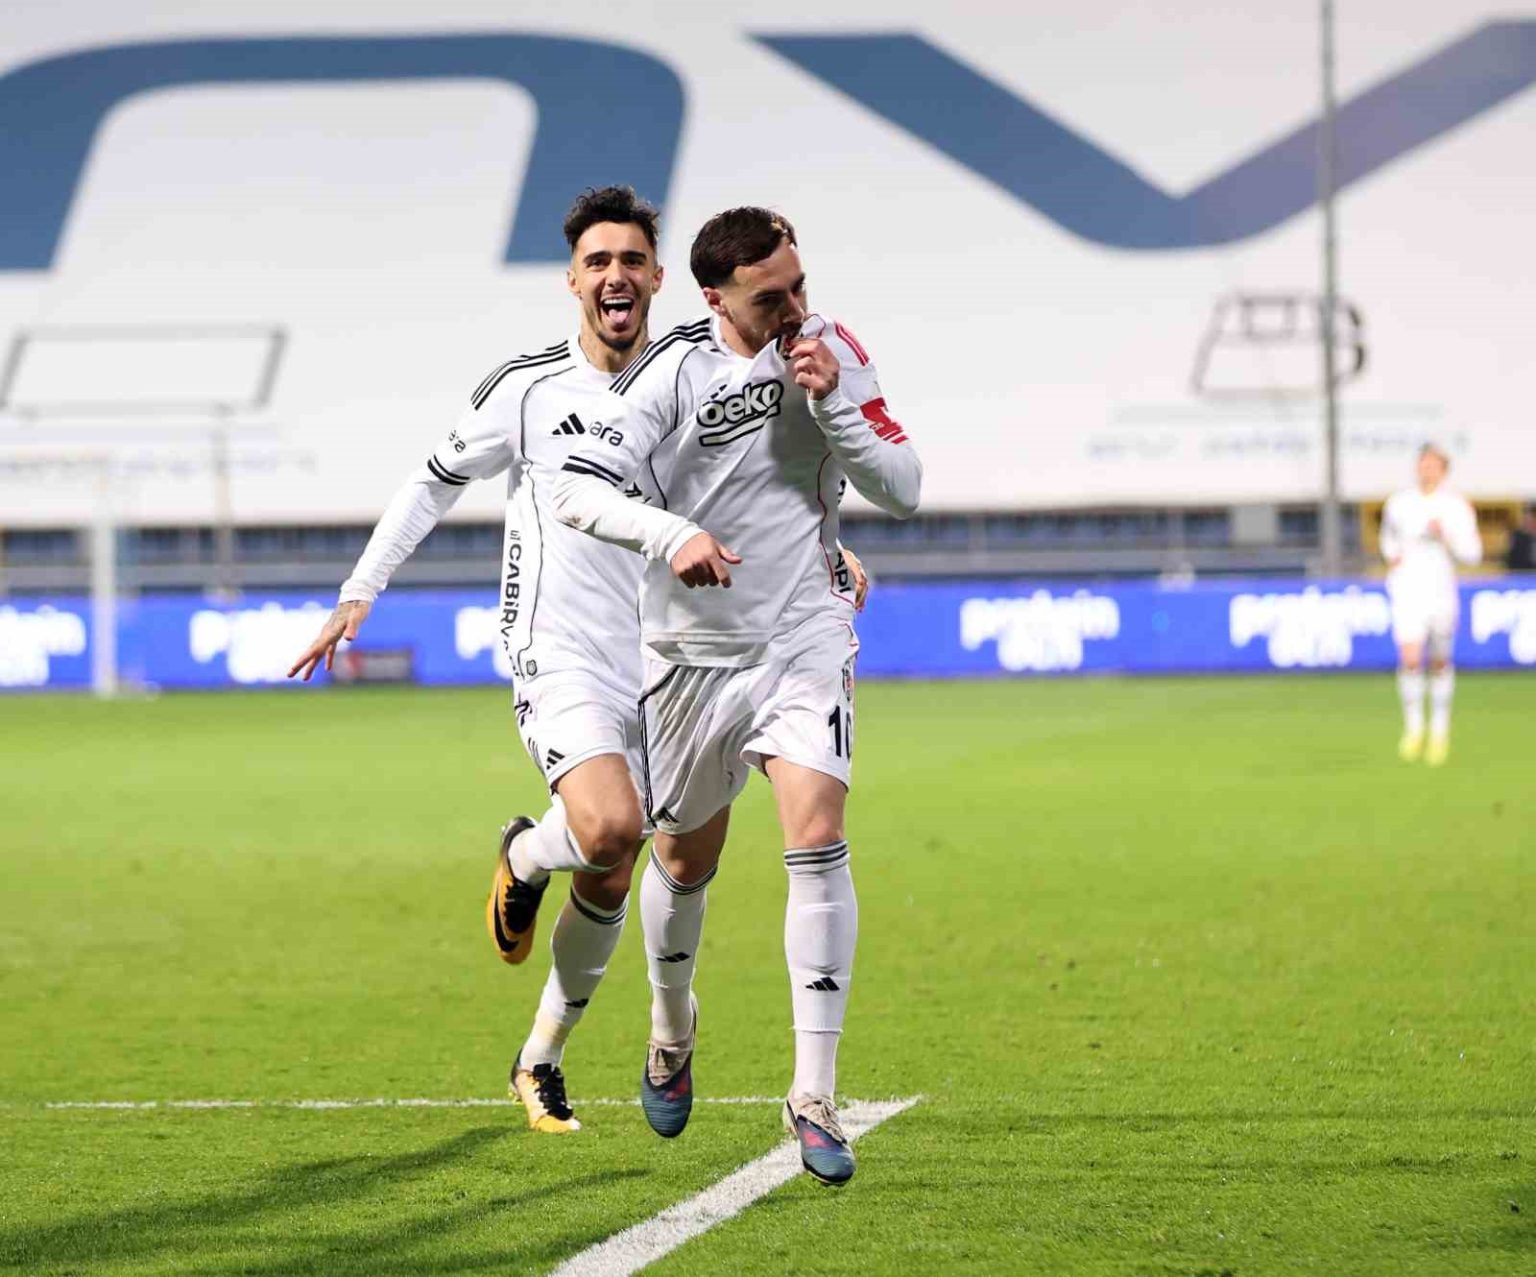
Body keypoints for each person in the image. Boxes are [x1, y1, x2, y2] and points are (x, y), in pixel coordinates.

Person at [287, 188, 870, 1135]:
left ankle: (540, 1055)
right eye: (598, 262)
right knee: (609, 828)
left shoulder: (692, 375)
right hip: (562, 649)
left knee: (620, 863)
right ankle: (527, 853)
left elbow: (751, 489)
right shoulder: (527, 390)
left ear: (659, 277)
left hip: (673, 657)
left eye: (632, 260)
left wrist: (826, 553)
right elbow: (431, 482)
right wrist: (360, 589)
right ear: (573, 281)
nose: (616, 276)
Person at [550, 207, 921, 1183]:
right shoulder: (668, 373)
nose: (795, 309)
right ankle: (671, 1027)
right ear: (717, 298)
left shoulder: (833, 352)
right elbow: (577, 490)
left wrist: (836, 408)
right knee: (682, 857)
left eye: (799, 286)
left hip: (803, 637)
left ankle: (814, 1094)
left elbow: (904, 485)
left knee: (818, 830)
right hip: (691, 654)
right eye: (771, 298)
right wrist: (672, 534)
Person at [1380, 443, 1482, 765]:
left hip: (1440, 592)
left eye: (1433, 465)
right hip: (1407, 591)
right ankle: (1414, 729)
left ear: (1443, 470)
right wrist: (1392, 557)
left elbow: (1473, 554)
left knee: (1439, 661)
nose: (1426, 470)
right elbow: (1388, 539)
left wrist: (1446, 536)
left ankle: (1440, 730)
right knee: (1410, 658)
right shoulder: (1399, 503)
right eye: (1423, 464)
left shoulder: (1456, 507)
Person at [1504, 503, 1536, 572]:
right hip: (1521, 573)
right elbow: (1510, 560)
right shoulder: (1518, 536)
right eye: (1526, 520)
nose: (1528, 523)